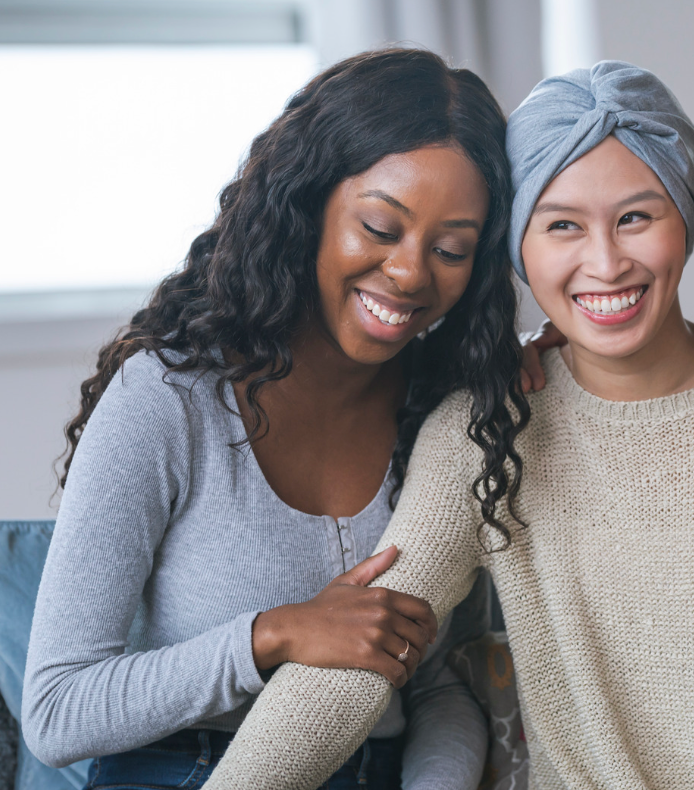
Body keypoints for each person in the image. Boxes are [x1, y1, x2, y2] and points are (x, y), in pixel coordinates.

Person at [200, 61, 694, 790]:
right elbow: (353, 665)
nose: (604, 263)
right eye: (562, 225)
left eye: (636, 217)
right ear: (519, 250)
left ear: (688, 220)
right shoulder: (484, 431)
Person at [22, 48, 528, 790]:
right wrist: (274, 635)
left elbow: (431, 684)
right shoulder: (168, 398)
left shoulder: (449, 422)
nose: (412, 272)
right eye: (381, 228)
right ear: (309, 204)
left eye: (451, 249)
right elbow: (59, 709)